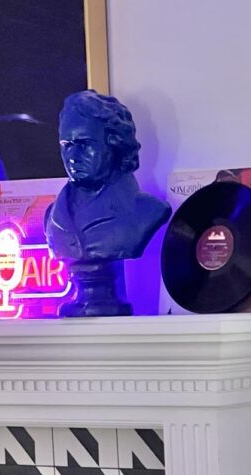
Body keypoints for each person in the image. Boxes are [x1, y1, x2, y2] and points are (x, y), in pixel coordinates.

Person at [45, 91, 170, 315]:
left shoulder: (147, 211)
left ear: (114, 144)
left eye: (84, 144)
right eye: (67, 144)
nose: (72, 156)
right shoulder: (51, 217)